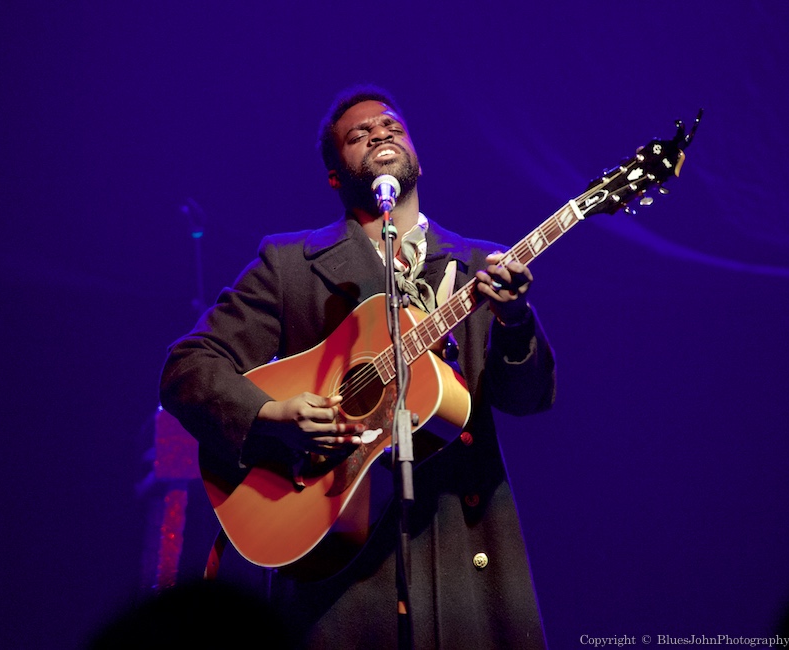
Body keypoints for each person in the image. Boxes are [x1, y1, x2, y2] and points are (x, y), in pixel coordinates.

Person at [159, 85, 556, 649]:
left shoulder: (479, 265)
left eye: (391, 125)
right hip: (341, 572)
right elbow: (188, 366)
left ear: (417, 153)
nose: (379, 133)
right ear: (333, 176)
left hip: (465, 551)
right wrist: (271, 416)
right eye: (358, 134)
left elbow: (526, 399)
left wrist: (515, 321)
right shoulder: (289, 264)